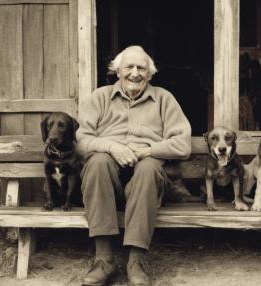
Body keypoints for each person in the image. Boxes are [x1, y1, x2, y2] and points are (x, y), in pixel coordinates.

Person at [77, 45, 192, 286]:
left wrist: (150, 150)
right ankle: (104, 260)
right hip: (107, 184)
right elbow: (81, 140)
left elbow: (182, 144)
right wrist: (111, 147)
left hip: (148, 187)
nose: (135, 73)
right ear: (117, 71)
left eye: (142, 68)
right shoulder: (99, 97)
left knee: (149, 167)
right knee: (98, 161)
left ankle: (136, 261)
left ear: (150, 75)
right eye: (129, 67)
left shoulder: (164, 99)